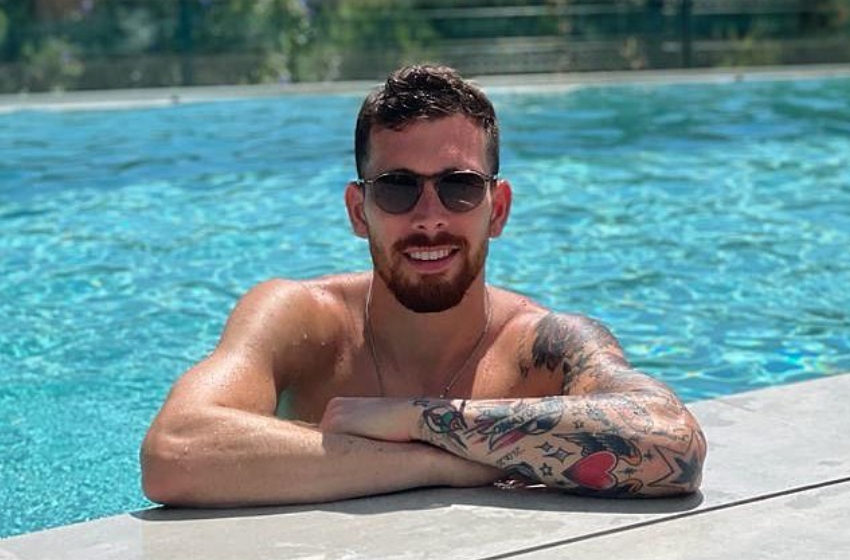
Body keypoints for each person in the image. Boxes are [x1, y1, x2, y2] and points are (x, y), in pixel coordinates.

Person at [141, 64, 706, 506]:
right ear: (358, 211)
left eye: (459, 187)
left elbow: (673, 441)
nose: (430, 217)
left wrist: (415, 419)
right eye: (397, 187)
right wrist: (437, 462)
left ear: (497, 209)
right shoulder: (301, 318)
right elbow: (174, 451)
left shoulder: (542, 345)